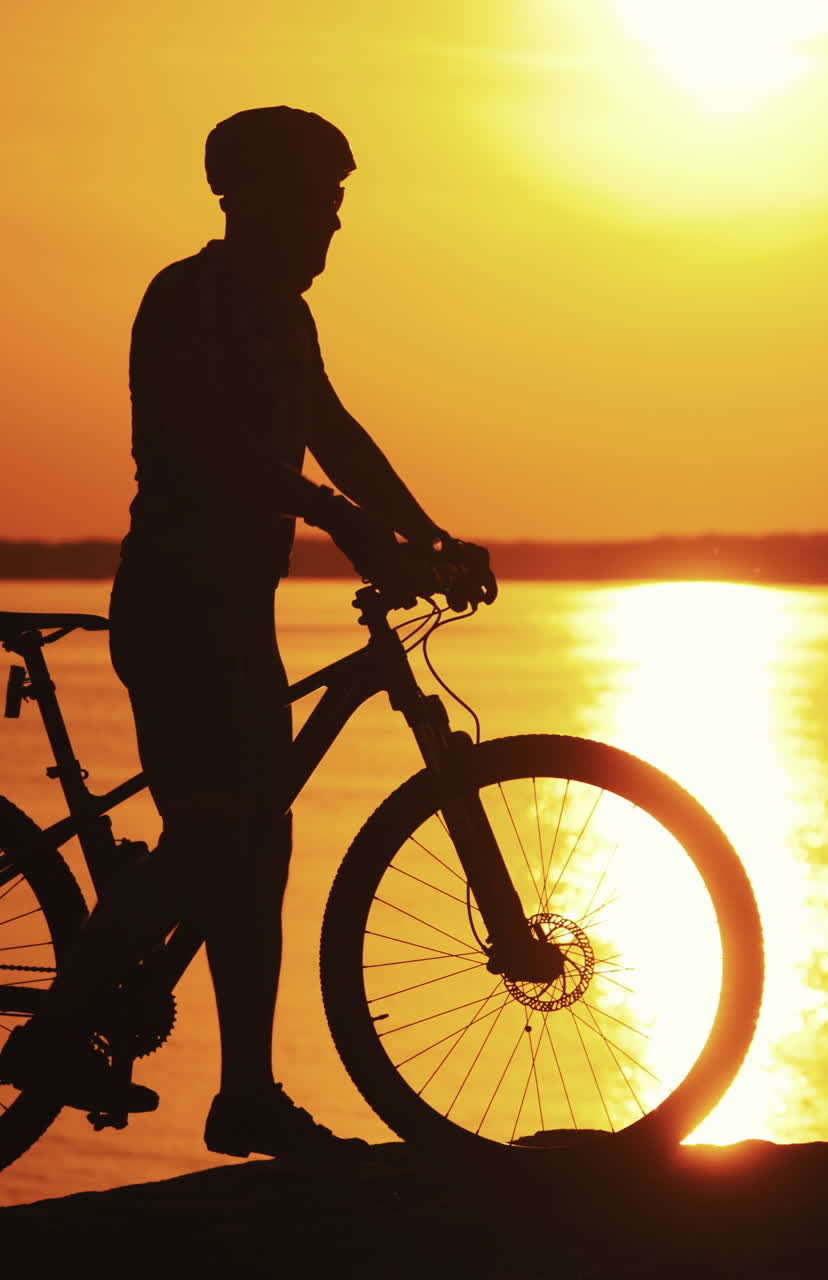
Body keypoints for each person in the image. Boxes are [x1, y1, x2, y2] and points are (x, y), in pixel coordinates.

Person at [0, 107, 494, 1158]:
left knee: (256, 853)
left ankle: (245, 1094)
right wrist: (345, 524)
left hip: (235, 616)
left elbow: (335, 433)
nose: (332, 225)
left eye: (337, 205)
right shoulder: (188, 300)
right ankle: (53, 1031)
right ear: (255, 201)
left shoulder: (283, 318)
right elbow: (213, 453)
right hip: (179, 608)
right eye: (321, 202)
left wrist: (425, 529)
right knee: (223, 836)